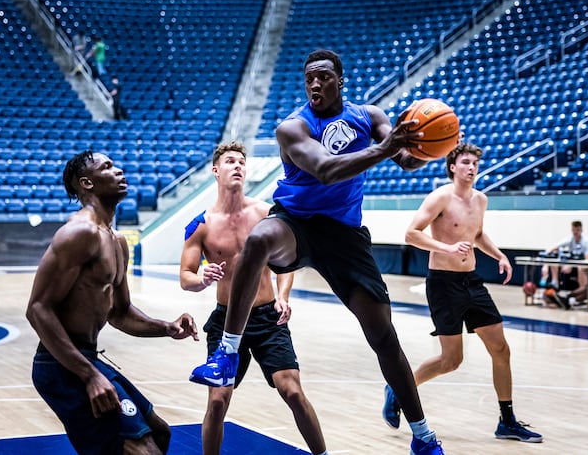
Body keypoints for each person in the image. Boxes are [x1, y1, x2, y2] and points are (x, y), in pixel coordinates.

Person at [189, 49, 446, 455]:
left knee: (384, 338)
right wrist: (384, 149)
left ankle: (423, 435)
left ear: (340, 81)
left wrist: (427, 144)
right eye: (309, 77)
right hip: (296, 222)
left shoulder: (371, 116)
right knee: (258, 238)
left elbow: (404, 160)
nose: (314, 84)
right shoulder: (292, 126)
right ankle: (226, 352)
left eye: (324, 77)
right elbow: (325, 168)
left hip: (345, 236)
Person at [26, 150, 198, 454]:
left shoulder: (117, 241)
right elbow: (37, 309)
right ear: (86, 183)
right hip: (60, 366)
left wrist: (167, 327)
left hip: (85, 360)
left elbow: (120, 313)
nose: (119, 171)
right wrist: (90, 375)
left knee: (159, 434)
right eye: (107, 167)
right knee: (142, 449)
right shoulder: (79, 233)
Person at [382, 142, 542, 443]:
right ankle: (398, 389)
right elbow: (411, 233)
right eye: (466, 162)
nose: (472, 168)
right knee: (451, 360)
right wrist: (447, 247)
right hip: (443, 284)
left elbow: (477, 233)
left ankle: (506, 421)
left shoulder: (480, 200)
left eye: (475, 163)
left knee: (501, 349)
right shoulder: (440, 196)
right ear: (453, 167)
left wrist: (499, 255)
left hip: (472, 281)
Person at [181, 142, 327, 455]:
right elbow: (185, 277)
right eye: (230, 161)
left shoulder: (265, 213)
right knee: (218, 402)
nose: (237, 166)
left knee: (292, 391)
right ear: (215, 170)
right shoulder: (201, 225)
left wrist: (283, 296)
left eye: (242, 162)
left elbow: (287, 262)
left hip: (266, 318)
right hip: (225, 320)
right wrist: (201, 279)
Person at [540, 220, 588, 294]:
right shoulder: (569, 240)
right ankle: (555, 283)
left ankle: (583, 291)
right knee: (555, 260)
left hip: (586, 265)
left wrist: (574, 265)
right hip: (573, 263)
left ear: (581, 230)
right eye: (574, 230)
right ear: (571, 230)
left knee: (581, 267)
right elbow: (552, 248)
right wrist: (545, 265)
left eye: (577, 230)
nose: (575, 232)